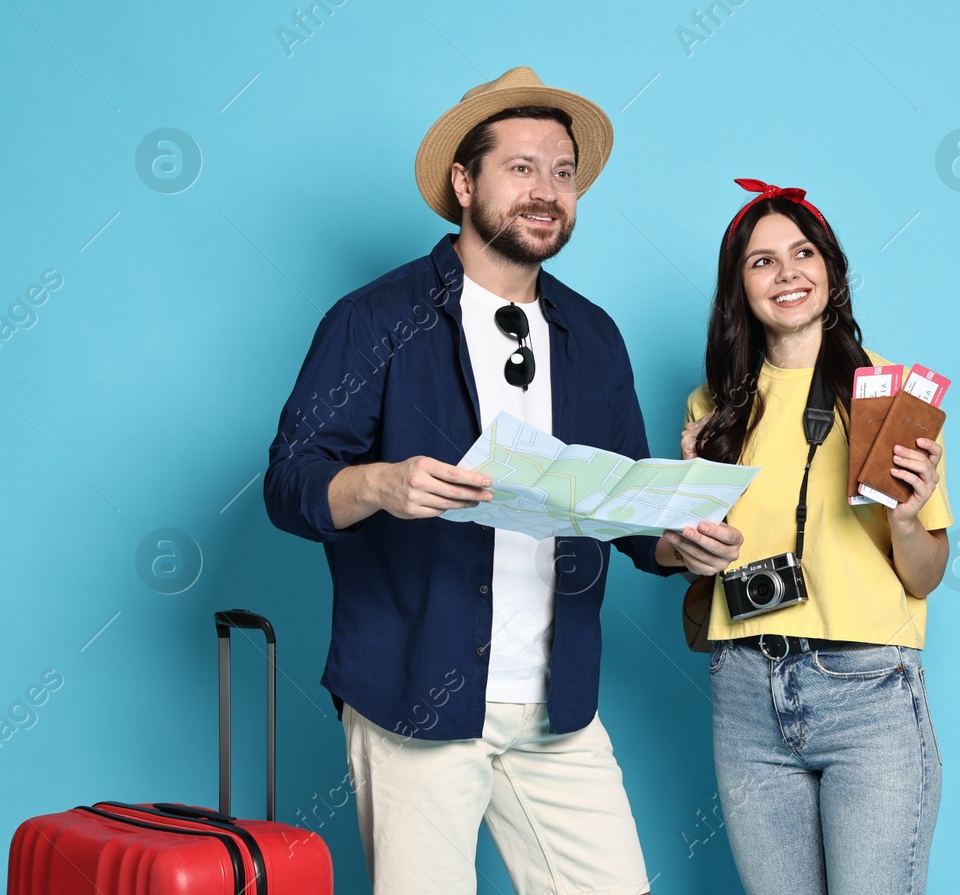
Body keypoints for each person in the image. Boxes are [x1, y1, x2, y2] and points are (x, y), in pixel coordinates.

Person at [263, 66, 737, 895]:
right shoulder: (372, 319)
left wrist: (681, 539)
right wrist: (378, 485)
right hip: (415, 690)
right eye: (521, 167)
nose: (547, 190)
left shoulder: (593, 335)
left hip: (557, 703)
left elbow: (621, 507)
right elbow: (290, 483)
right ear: (463, 181)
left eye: (563, 172)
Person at [672, 177, 954, 895]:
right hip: (743, 688)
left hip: (867, 691)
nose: (787, 272)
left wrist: (904, 514)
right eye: (762, 260)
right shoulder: (712, 407)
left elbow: (923, 575)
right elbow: (691, 561)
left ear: (831, 267)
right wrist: (688, 516)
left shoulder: (887, 392)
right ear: (739, 286)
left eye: (803, 252)